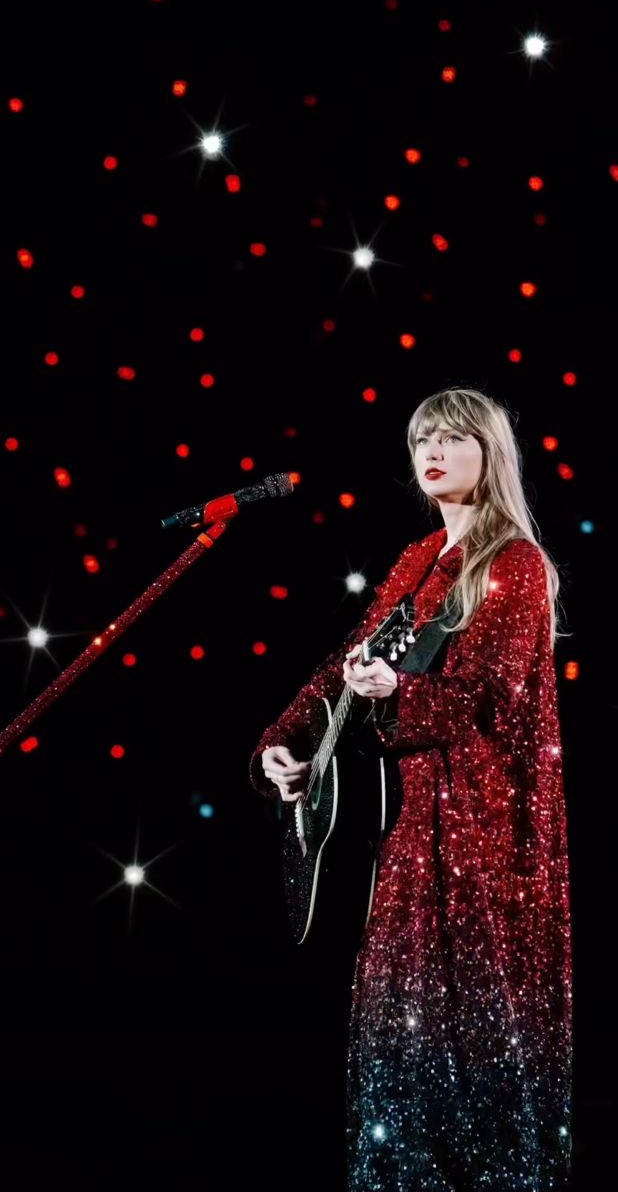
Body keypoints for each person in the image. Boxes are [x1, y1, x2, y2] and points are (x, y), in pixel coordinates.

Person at [248, 386, 572, 1192]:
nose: (434, 449)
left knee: (466, 1036)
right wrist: (280, 744)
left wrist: (402, 692)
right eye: (424, 436)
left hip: (478, 834)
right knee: (400, 1029)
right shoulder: (414, 561)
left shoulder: (516, 563)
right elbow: (343, 667)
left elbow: (495, 698)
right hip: (408, 829)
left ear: (489, 454)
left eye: (457, 437)